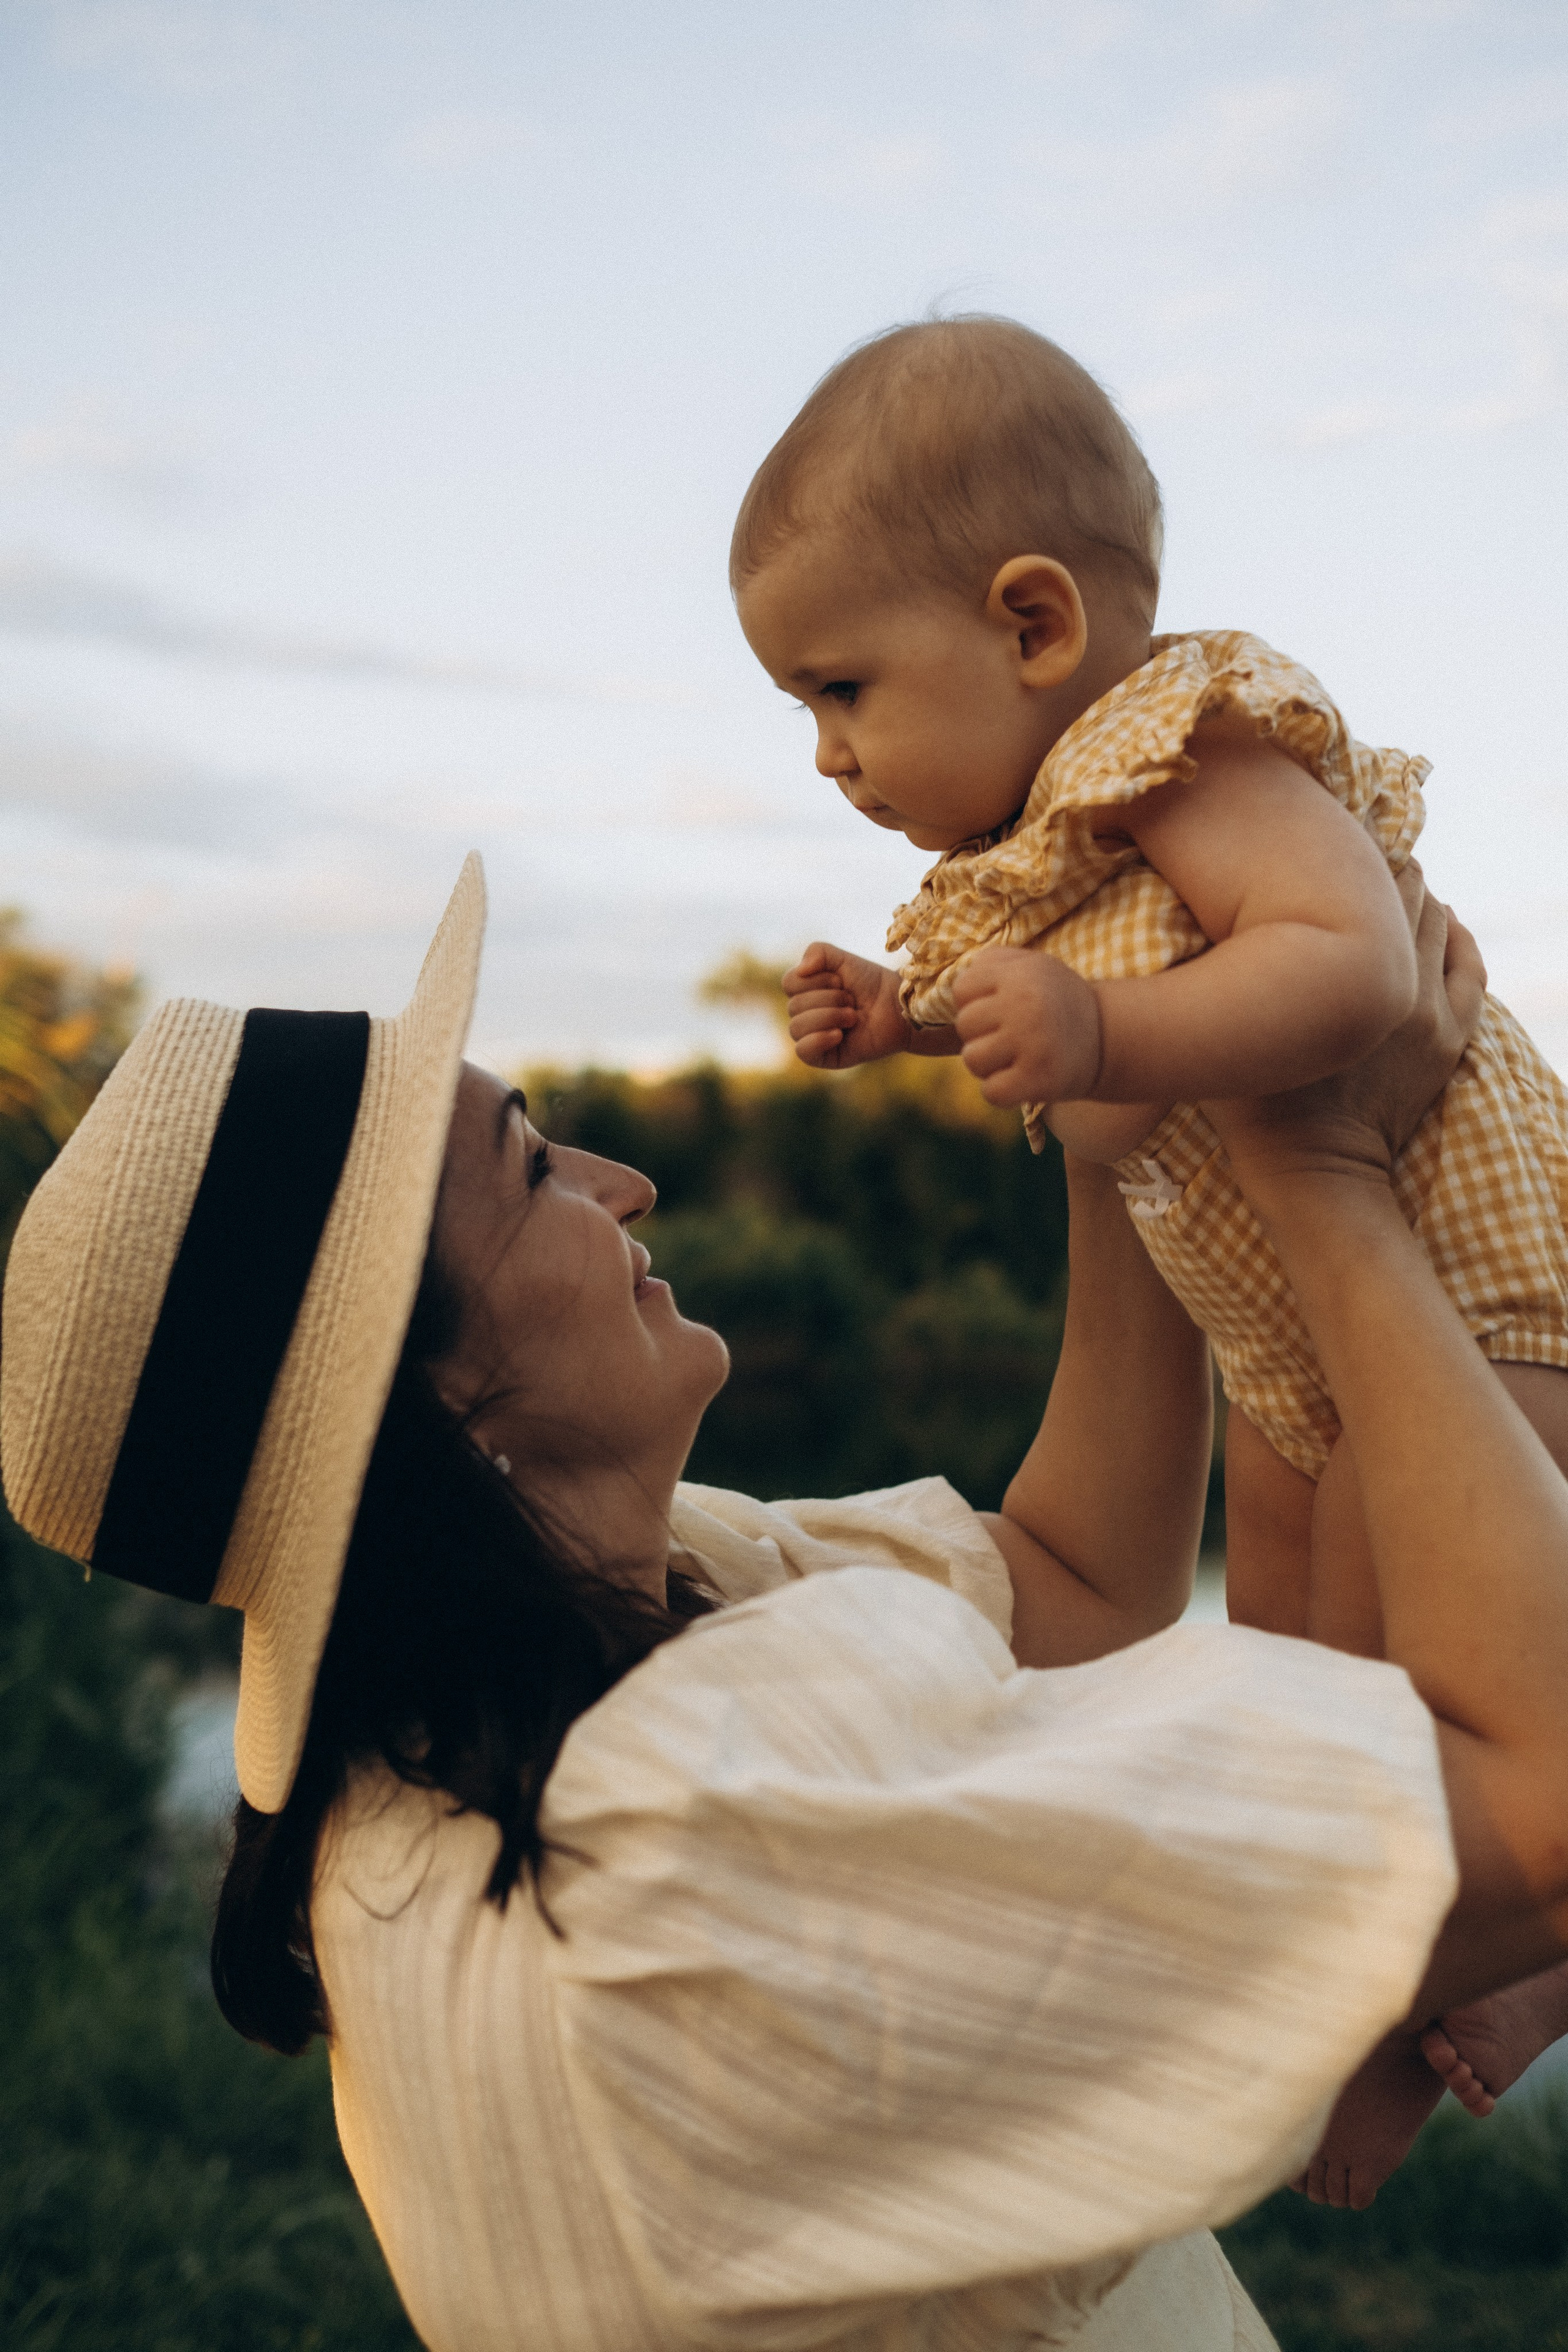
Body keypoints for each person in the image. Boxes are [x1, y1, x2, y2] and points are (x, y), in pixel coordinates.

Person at [4, 854, 1568, 2350]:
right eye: (535, 1169)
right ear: (440, 1399)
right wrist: (1323, 1176)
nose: (627, 1185)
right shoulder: (677, 1850)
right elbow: (1543, 1802)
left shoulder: (579, 1636)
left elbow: (1070, 1581)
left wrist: (1118, 1135)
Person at [734, 313, 1568, 1676]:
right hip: (1286, 1339)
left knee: (1385, 1705)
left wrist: (1099, 1034)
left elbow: (1353, 956)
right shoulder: (1047, 838)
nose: (829, 753)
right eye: (807, 710)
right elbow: (1068, 983)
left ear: (1034, 625)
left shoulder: (1180, 752)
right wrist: (904, 1017)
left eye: (843, 689)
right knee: (1271, 1679)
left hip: (1457, 1303)